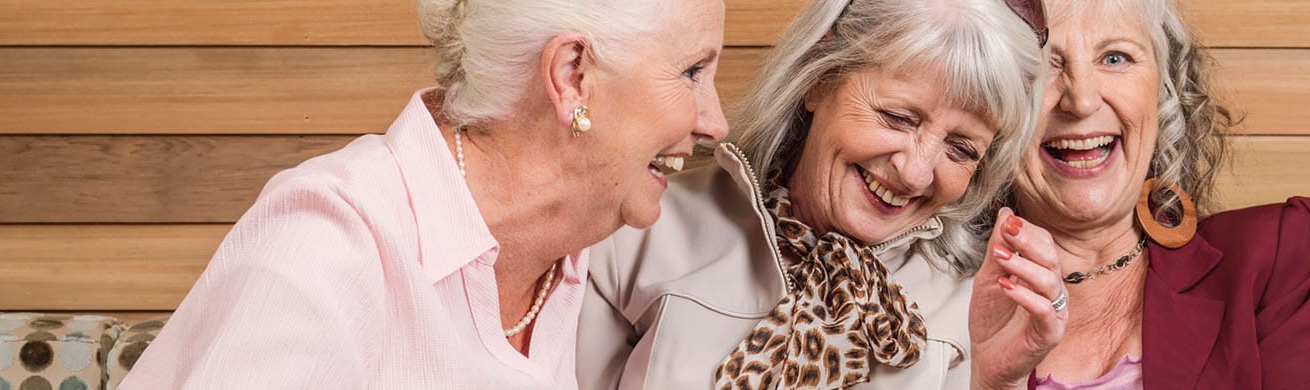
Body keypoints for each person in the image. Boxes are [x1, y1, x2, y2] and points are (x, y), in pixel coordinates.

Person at [119, 0, 729, 387]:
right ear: (572, 75)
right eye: (692, 72)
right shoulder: (331, 241)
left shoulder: (574, 262)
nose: (715, 122)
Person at [574, 0, 1046, 388]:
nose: (917, 172)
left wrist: (994, 382)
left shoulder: (975, 309)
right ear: (819, 79)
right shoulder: (633, 232)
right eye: (898, 118)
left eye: (961, 148)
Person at [966, 0, 1310, 388]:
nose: (1082, 100)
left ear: (1163, 93)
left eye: (1115, 58)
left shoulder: (1268, 259)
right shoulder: (933, 300)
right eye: (1041, 66)